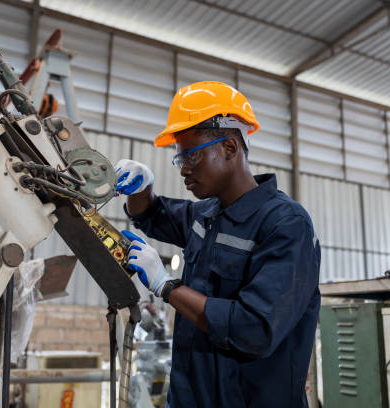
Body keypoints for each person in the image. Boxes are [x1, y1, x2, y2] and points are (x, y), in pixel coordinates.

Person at [115, 81, 321, 408]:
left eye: (192, 155)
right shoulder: (205, 215)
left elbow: (254, 329)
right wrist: (143, 186)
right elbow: (153, 215)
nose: (184, 168)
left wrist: (167, 286)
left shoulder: (285, 224)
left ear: (230, 148)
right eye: (179, 157)